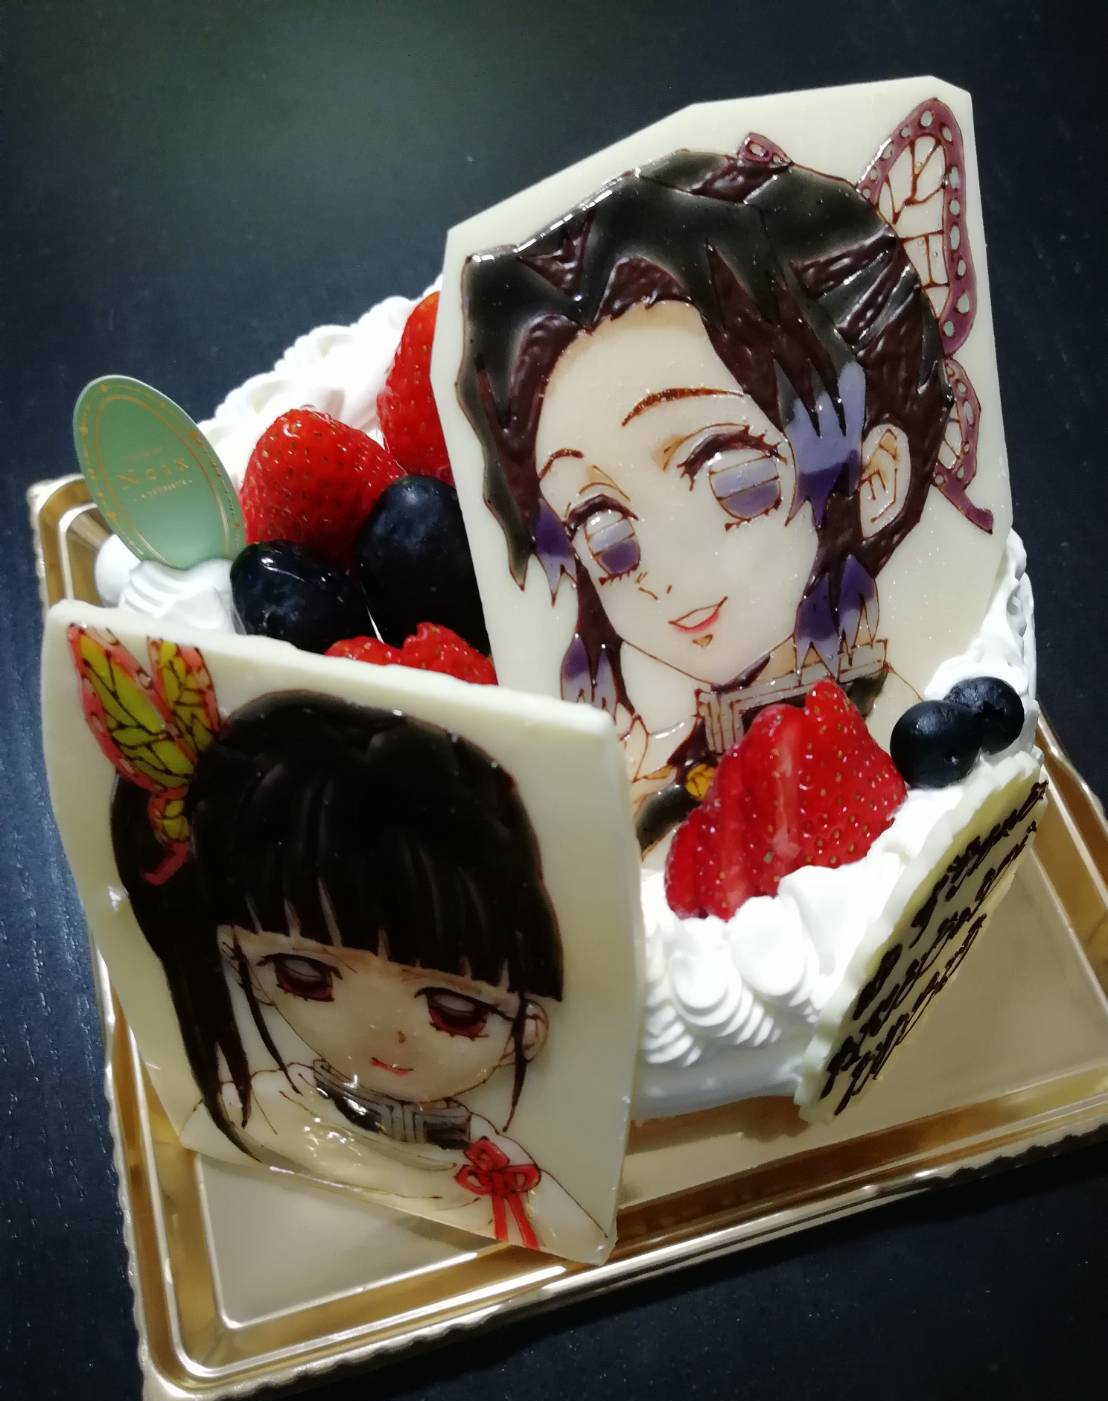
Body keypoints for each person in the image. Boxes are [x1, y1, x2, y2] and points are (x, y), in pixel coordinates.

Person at [457, 134, 986, 828]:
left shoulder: (898, 723)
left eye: (728, 479)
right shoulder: (661, 766)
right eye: (603, 531)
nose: (664, 574)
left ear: (875, 477)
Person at [72, 625, 598, 1253]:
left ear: (527, 1031)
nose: (382, 1032)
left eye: (455, 1010)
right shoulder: (253, 1117)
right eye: (305, 975)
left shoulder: (518, 1181)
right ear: (240, 961)